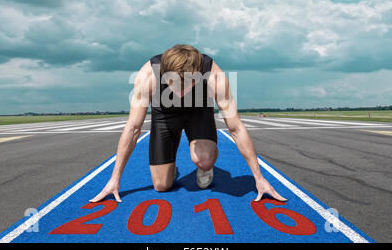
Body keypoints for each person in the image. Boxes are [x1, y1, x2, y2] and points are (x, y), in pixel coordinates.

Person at [90, 44, 286, 203]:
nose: (180, 94)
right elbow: (132, 129)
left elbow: (236, 128)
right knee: (161, 186)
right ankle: (170, 169)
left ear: (198, 73)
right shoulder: (148, 75)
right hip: (165, 115)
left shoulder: (214, 75)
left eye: (188, 85)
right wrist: (114, 179)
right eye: (174, 85)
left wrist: (258, 179)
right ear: (164, 73)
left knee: (204, 159)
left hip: (198, 111)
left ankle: (205, 167)